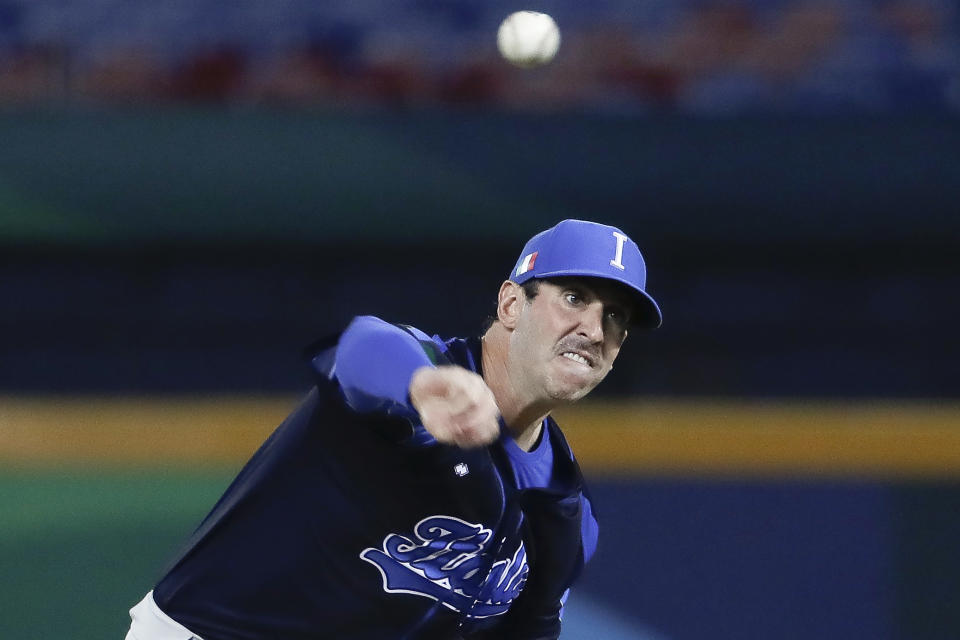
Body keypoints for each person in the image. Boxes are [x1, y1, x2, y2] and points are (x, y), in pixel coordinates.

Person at [125, 219, 662, 640]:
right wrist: (421, 386)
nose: (593, 329)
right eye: (574, 298)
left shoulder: (565, 510)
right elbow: (363, 349)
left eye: (616, 316)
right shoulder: (419, 365)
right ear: (510, 303)